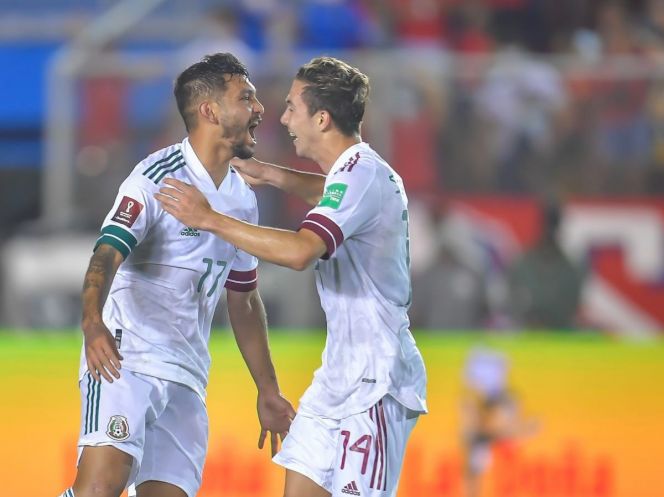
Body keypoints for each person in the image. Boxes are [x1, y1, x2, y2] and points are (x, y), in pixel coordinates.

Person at [155, 56, 428, 497]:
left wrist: (209, 219)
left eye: (291, 107)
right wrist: (271, 174)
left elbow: (301, 251)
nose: (282, 119)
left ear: (321, 119)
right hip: (337, 377)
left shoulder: (362, 174)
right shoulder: (356, 174)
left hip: (377, 380)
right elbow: (331, 192)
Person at [58, 53, 295, 497]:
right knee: (99, 488)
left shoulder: (242, 200)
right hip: (127, 359)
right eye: (246, 98)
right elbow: (105, 254)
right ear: (209, 110)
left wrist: (267, 389)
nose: (260, 108)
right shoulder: (155, 179)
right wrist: (92, 323)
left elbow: (244, 298)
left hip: (187, 374)